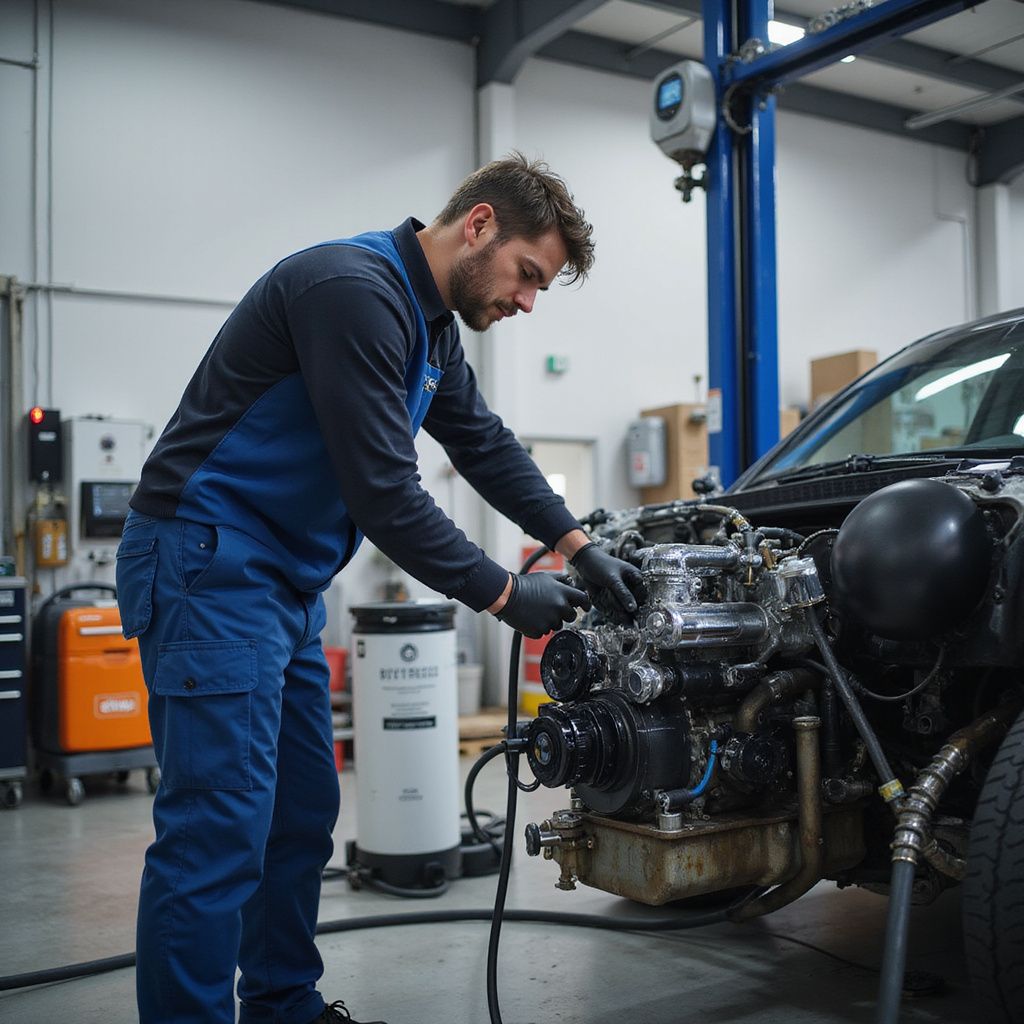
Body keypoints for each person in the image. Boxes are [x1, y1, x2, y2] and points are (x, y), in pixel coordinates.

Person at [116, 152, 644, 1024]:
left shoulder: (430, 327)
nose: (524, 302)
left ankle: (281, 1005)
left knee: (297, 818)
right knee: (217, 832)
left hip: (275, 581)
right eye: (527, 275)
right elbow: (384, 491)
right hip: (208, 561)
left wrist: (577, 546)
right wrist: (507, 596)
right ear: (478, 225)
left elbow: (482, 443)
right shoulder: (350, 290)